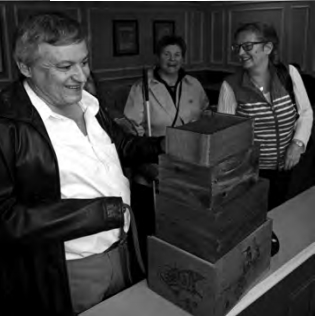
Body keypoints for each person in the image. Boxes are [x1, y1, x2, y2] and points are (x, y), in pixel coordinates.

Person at [0, 13, 165, 316]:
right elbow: (6, 216)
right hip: (68, 271)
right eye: (65, 66)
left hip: (124, 249)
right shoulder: (7, 124)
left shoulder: (89, 102)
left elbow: (123, 145)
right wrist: (97, 214)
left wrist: (166, 145)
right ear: (25, 67)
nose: (81, 75)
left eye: (84, 61)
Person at [123, 35, 209, 260]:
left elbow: (205, 117)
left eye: (177, 54)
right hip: (153, 168)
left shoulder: (194, 84)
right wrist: (146, 164)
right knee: (153, 228)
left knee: (183, 225)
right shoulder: (142, 87)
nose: (172, 59)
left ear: (183, 57)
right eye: (167, 54)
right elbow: (130, 131)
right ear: (158, 57)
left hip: (189, 167)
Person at [217, 22, 313, 210]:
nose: (240, 53)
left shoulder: (289, 74)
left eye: (247, 46)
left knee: (287, 215)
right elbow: (226, 133)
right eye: (237, 47)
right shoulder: (230, 86)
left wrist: (298, 143)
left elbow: (306, 112)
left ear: (268, 47)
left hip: (291, 168)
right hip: (253, 174)